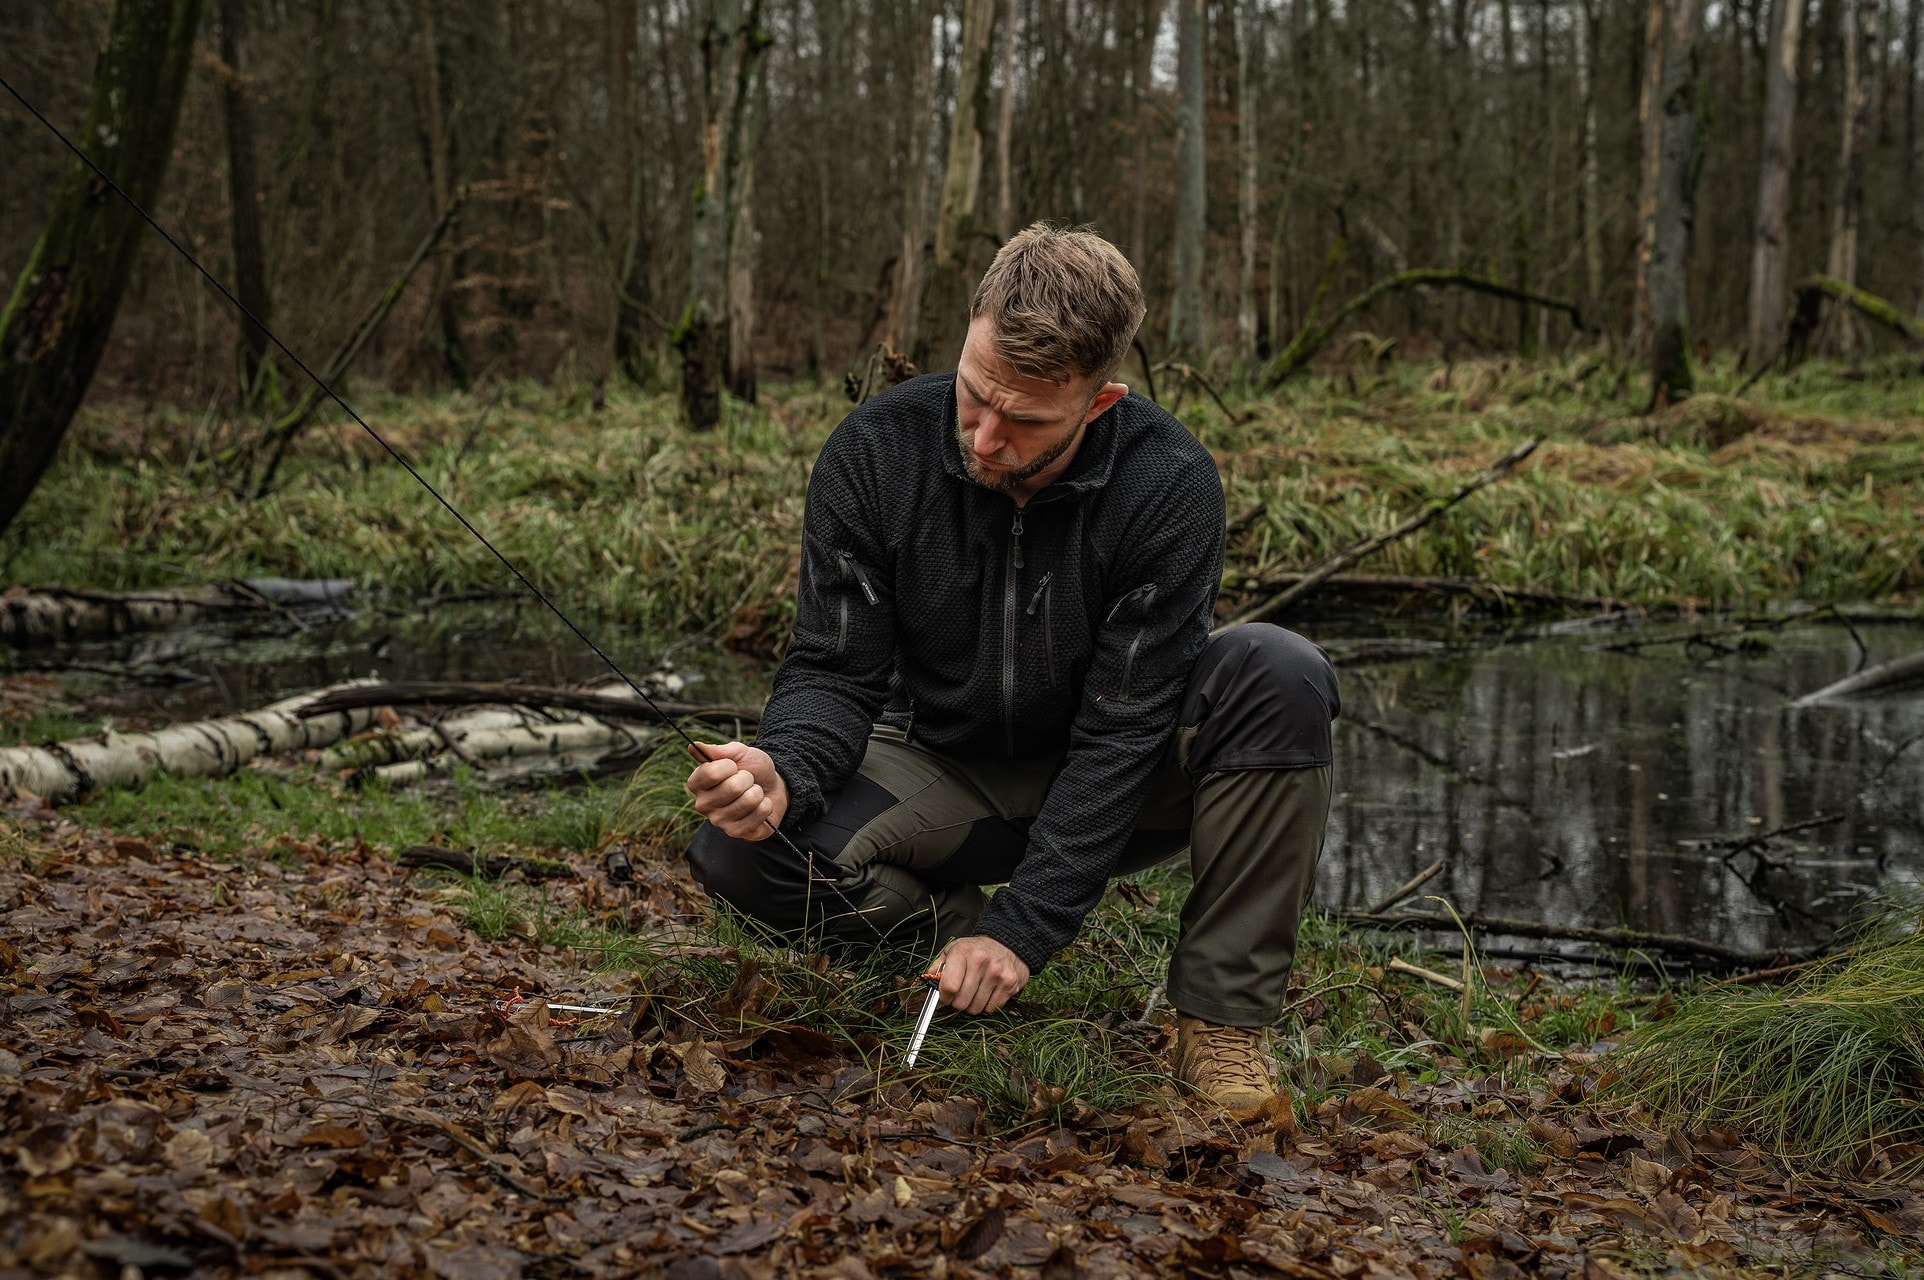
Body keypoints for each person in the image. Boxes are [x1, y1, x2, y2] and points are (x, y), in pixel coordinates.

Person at [683, 225, 1338, 1110]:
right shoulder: (875, 452)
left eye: (1027, 420)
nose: (987, 439)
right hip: (941, 761)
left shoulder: (1169, 482)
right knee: (742, 849)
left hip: (1129, 779)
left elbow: (1124, 732)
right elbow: (835, 669)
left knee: (1278, 672)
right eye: (974, 394)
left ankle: (1221, 1024)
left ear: (1100, 402)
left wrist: (1025, 928)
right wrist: (784, 769)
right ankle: (944, 933)